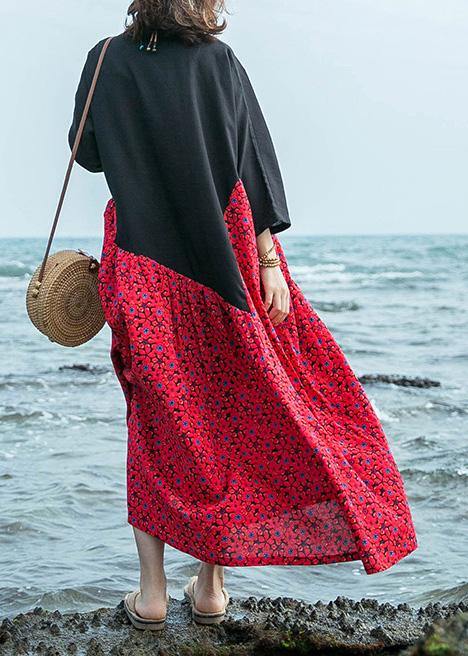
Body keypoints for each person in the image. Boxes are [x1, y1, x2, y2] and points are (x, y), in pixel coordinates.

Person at [69, 0, 418, 631]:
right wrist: (269, 263)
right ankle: (209, 587)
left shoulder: (105, 59)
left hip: (142, 267)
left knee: (153, 421)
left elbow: (88, 153)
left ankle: (151, 594)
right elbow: (250, 166)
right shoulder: (219, 62)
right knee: (229, 412)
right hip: (223, 263)